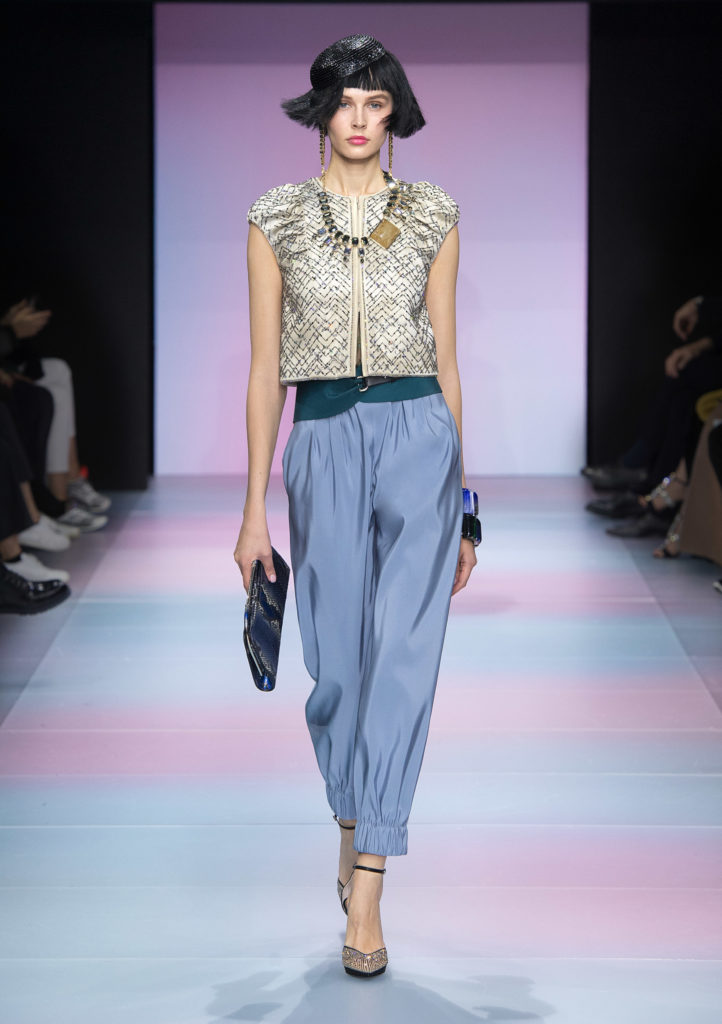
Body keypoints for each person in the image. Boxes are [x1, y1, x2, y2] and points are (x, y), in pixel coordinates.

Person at [233, 34, 480, 979]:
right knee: (336, 662)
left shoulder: (434, 213)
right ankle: (350, 810)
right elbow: (265, 372)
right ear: (321, 110)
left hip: (420, 435)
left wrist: (464, 502)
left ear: (395, 112)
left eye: (377, 103)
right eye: (346, 101)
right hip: (325, 436)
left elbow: (448, 360)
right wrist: (253, 511)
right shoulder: (275, 217)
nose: (362, 119)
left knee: (407, 655)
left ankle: (370, 875)